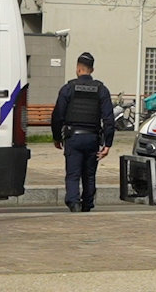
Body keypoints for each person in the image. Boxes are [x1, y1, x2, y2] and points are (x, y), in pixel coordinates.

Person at [49, 52, 113, 213]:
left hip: (73, 137)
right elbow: (108, 119)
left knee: (73, 173)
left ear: (78, 69)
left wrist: (57, 137)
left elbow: (57, 115)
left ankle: (73, 202)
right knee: (89, 175)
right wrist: (108, 143)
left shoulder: (68, 88)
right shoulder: (102, 90)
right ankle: (87, 203)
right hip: (92, 138)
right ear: (92, 70)